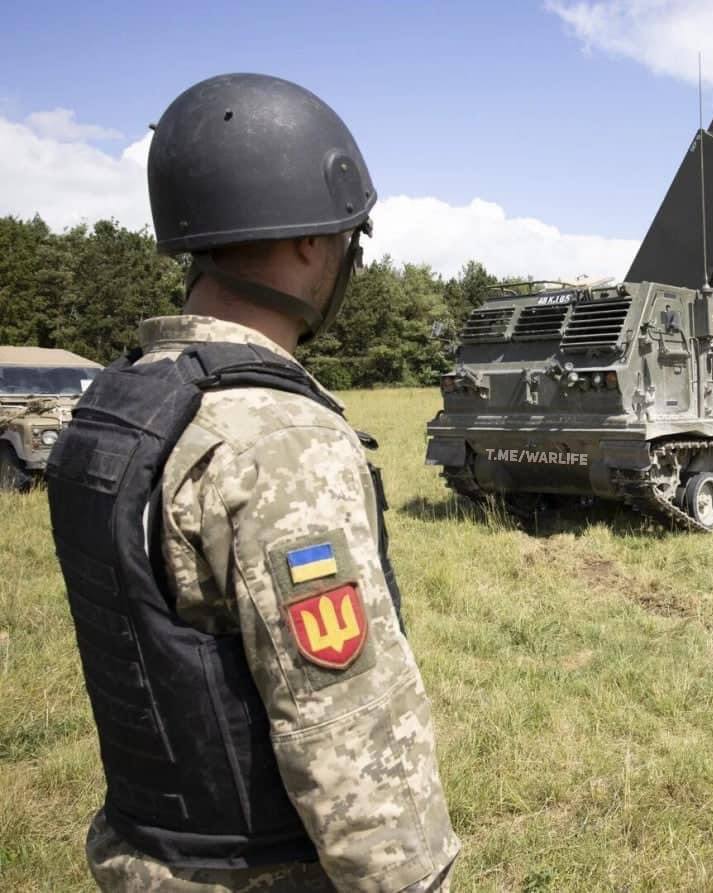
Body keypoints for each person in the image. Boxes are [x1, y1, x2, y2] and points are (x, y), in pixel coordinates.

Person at [45, 73, 459, 891]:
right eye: (346, 237)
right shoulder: (279, 438)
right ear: (310, 242)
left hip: (143, 856)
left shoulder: (117, 406)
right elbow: (349, 733)